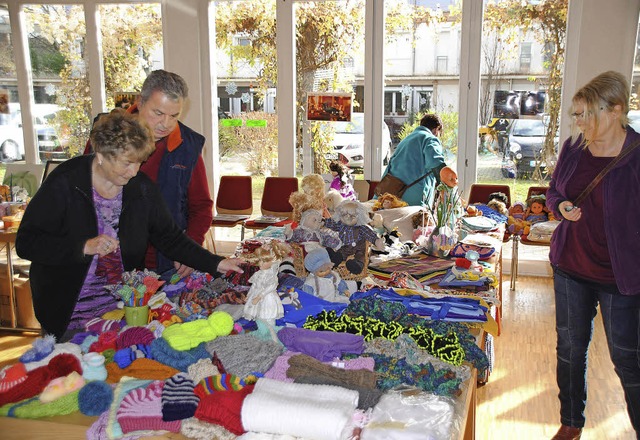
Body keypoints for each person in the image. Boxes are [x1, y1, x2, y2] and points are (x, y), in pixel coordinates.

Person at [16, 111, 243, 342]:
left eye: (139, 162)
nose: (134, 171)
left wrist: (217, 263)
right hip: (66, 315)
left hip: (121, 309)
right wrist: (83, 246)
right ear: (102, 154)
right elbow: (27, 243)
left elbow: (170, 238)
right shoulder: (65, 182)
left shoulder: (140, 188)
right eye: (127, 163)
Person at [546, 70, 640, 440]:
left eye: (586, 113)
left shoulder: (636, 158)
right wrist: (562, 205)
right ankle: (571, 423)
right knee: (570, 350)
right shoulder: (574, 149)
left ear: (616, 111)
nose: (579, 121)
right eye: (576, 114)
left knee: (627, 360)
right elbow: (553, 191)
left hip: (620, 277)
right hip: (570, 266)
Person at [84, 70, 213, 278]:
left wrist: (191, 248)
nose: (166, 124)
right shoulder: (106, 136)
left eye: (174, 116)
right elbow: (84, 197)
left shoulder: (187, 146)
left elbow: (201, 207)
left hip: (167, 262)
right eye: (158, 113)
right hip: (111, 258)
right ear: (140, 102)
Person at [380, 113, 454, 207]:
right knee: (415, 221)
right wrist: (444, 186)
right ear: (436, 129)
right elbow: (436, 163)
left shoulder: (406, 139)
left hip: (392, 193)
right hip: (414, 197)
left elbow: (391, 165)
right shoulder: (430, 139)